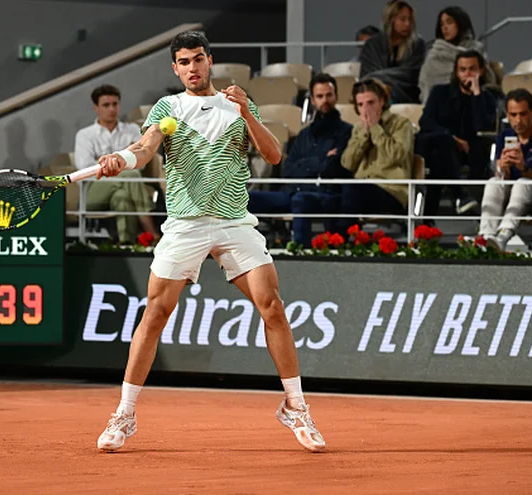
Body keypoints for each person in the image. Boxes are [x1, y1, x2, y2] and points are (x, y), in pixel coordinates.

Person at [93, 31, 325, 453]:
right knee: (156, 313)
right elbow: (145, 148)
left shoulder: (238, 104)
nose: (193, 67)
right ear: (176, 68)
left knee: (271, 306)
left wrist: (247, 114)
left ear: (209, 60)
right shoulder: (169, 108)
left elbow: (273, 156)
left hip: (235, 221)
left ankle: (296, 406)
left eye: (198, 59)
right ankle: (124, 415)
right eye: (184, 62)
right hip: (185, 223)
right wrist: (121, 160)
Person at [247, 73, 352, 247]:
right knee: (243, 198)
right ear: (312, 100)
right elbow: (289, 170)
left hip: (326, 195)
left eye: (328, 95)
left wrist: (306, 164)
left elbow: (333, 168)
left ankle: (300, 253)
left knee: (301, 200)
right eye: (319, 96)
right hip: (293, 192)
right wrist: (319, 162)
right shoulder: (304, 134)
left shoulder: (347, 132)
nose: (324, 100)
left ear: (336, 97)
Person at [416, 50, 498, 220]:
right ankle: (460, 194)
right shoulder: (440, 92)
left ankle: (427, 223)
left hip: (465, 152)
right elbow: (426, 122)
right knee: (442, 144)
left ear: (481, 71)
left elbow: (483, 127)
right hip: (436, 144)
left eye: (472, 69)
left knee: (440, 163)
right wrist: (451, 137)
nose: (467, 73)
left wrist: (476, 95)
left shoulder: (487, 97)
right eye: (462, 69)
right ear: (456, 72)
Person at [74, 84, 160, 243]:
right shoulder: (85, 135)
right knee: (131, 175)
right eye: (106, 105)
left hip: (125, 184)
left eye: (115, 104)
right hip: (93, 190)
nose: (111, 109)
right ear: (96, 108)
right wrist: (120, 164)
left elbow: (141, 163)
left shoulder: (133, 130)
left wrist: (108, 163)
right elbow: (85, 168)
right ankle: (150, 229)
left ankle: (126, 244)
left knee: (123, 196)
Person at [480, 89, 532, 252]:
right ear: (507, 115)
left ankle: (503, 235)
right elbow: (502, 177)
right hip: (515, 189)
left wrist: (522, 168)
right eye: (513, 115)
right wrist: (502, 168)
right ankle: (485, 236)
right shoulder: (505, 136)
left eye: (523, 114)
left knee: (522, 183)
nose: (518, 120)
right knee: (494, 182)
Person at [338, 78, 414, 236]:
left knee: (352, 192)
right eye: (360, 105)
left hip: (391, 191)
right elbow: (347, 163)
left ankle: (341, 244)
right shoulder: (359, 128)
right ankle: (328, 247)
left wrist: (375, 129)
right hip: (362, 187)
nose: (366, 109)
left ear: (383, 101)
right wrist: (365, 134)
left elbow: (395, 157)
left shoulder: (402, 124)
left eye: (371, 103)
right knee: (329, 197)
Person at [418, 6, 498, 103]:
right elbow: (426, 85)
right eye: (441, 24)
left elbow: (487, 79)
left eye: (449, 22)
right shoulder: (435, 55)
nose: (445, 27)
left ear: (460, 23)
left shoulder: (476, 49)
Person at [359, 0, 426, 104]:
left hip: (406, 96)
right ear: (390, 20)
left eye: (410, 19)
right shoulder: (372, 44)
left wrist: (378, 78)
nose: (407, 24)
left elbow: (410, 75)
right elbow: (366, 77)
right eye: (402, 19)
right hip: (374, 96)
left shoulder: (417, 45)